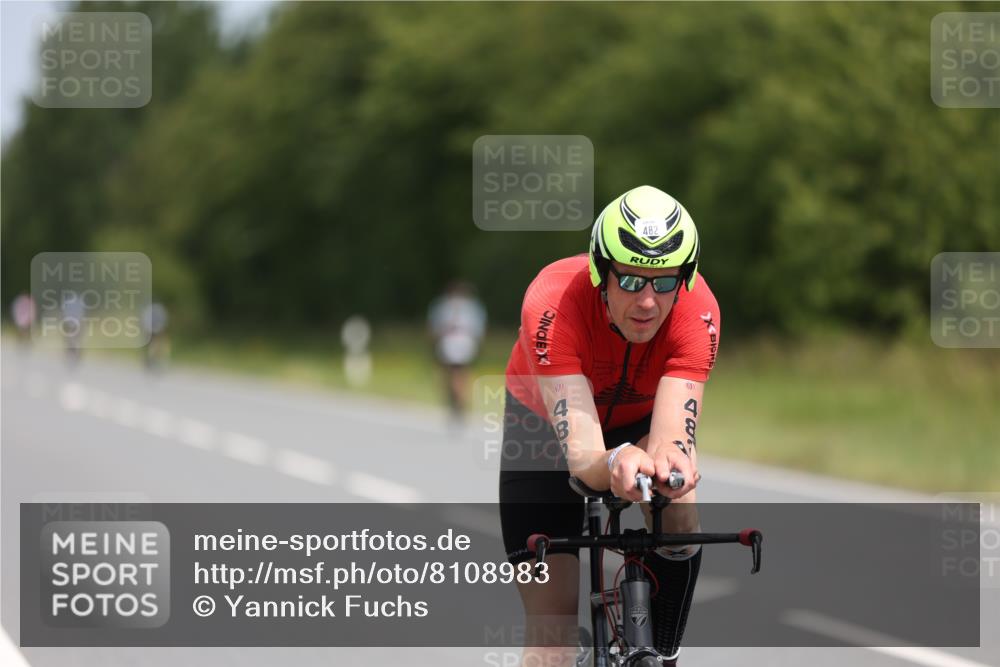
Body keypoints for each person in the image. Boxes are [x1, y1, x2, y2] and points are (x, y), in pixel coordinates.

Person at [499, 185, 720, 666]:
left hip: (638, 420)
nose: (648, 302)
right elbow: (583, 459)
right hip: (544, 432)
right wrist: (617, 459)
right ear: (601, 270)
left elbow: (671, 438)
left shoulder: (698, 311)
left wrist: (670, 465)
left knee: (679, 501)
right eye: (632, 280)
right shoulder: (553, 302)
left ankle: (662, 653)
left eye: (664, 282)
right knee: (552, 642)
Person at [427, 281, 487, 422]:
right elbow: (479, 329)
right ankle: (461, 396)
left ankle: (457, 398)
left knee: (450, 371)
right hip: (467, 341)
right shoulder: (474, 307)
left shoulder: (443, 305)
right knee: (463, 370)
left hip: (450, 340)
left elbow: (435, 327)